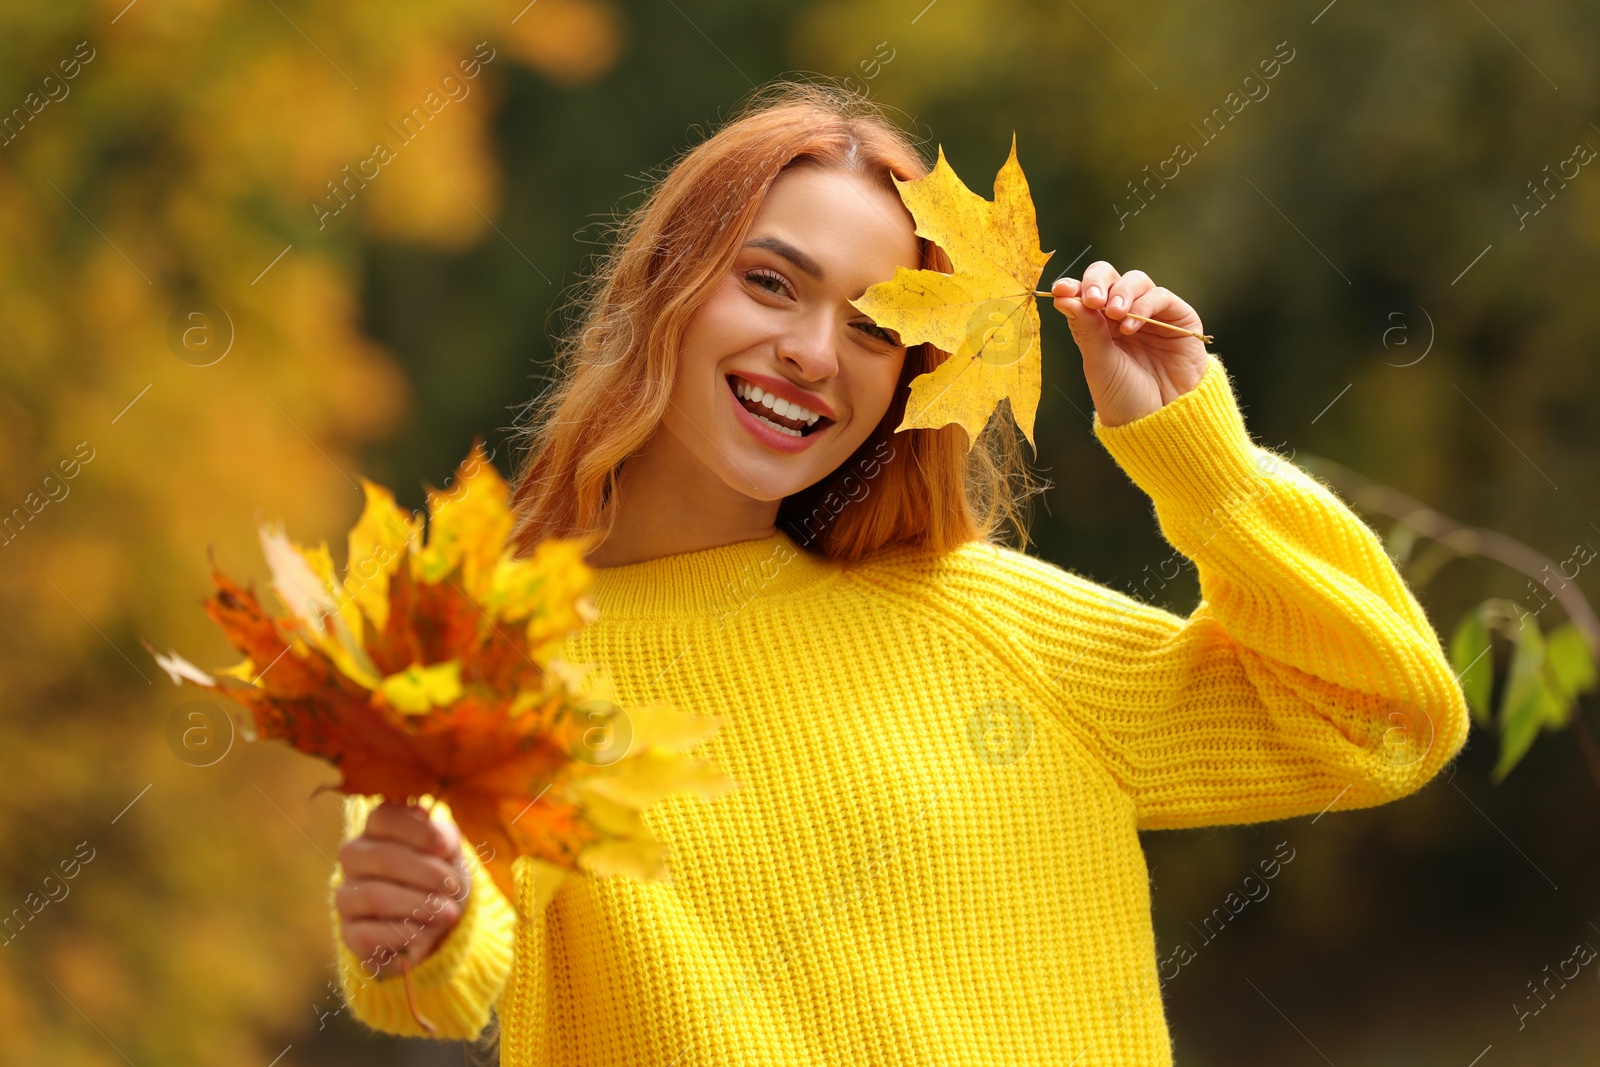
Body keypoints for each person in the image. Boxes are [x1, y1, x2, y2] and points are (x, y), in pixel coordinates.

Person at [330, 82, 1469, 1065]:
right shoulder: (490, 651)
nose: (815, 354)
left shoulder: (979, 617)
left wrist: (1193, 454)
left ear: (906, 380)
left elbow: (1380, 714)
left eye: (874, 328)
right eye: (772, 283)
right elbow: (437, 966)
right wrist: (414, 927)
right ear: (664, 289)